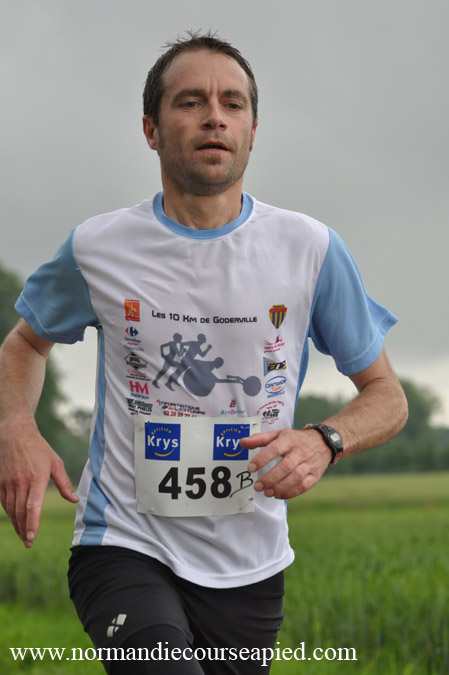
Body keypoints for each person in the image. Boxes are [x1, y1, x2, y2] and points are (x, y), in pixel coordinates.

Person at [0, 31, 407, 674]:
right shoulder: (97, 248)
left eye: (232, 103)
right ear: (151, 129)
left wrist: (323, 441)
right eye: (190, 101)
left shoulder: (311, 249)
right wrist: (16, 427)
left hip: (251, 565)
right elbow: (25, 343)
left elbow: (388, 397)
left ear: (252, 131)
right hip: (124, 543)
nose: (214, 116)